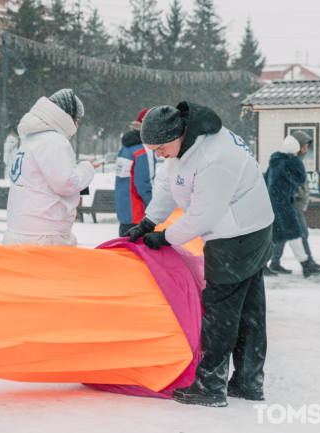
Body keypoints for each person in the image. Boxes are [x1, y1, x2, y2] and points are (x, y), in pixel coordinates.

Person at [126, 102, 274, 407]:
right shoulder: (184, 146)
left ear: (177, 133)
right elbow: (169, 186)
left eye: (161, 148)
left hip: (239, 235)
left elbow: (201, 215)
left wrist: (164, 237)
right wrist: (148, 222)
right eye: (153, 149)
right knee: (248, 309)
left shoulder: (213, 157)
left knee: (220, 310)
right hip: (243, 226)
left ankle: (210, 386)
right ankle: (248, 382)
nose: (159, 155)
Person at [3, 89, 99, 247]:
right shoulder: (54, 140)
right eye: (76, 119)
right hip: (45, 233)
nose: (77, 125)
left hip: (19, 228)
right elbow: (65, 183)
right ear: (66, 116)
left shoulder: (30, 138)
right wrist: (86, 168)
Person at [265, 134, 320, 278]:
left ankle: (264, 265)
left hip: (275, 204)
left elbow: (265, 181)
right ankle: (306, 265)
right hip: (283, 205)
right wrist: (294, 157)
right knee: (293, 234)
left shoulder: (275, 161)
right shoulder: (286, 163)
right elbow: (300, 177)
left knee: (276, 237)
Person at [115, 108, 156, 237]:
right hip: (139, 213)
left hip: (125, 212)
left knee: (125, 251)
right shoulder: (144, 151)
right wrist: (154, 208)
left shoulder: (125, 148)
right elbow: (143, 184)